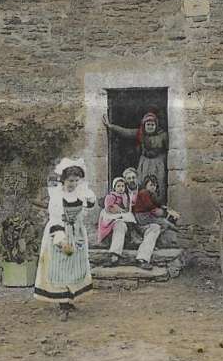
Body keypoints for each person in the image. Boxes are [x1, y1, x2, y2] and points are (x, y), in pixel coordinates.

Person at [33, 158, 96, 321]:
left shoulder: (80, 192)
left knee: (74, 267)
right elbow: (55, 220)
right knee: (60, 267)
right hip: (60, 232)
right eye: (70, 180)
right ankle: (63, 304)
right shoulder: (56, 197)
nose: (73, 183)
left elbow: (89, 204)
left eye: (76, 180)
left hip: (76, 233)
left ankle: (70, 297)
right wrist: (61, 240)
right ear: (63, 180)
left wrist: (89, 198)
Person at [97, 176, 162, 270]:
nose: (132, 180)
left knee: (155, 227)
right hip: (126, 226)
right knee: (120, 224)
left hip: (140, 224)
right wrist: (114, 208)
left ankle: (142, 258)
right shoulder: (116, 195)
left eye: (134, 178)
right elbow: (104, 203)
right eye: (129, 178)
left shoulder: (141, 193)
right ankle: (114, 256)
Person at [103, 112, 169, 203]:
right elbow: (126, 132)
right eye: (148, 124)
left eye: (152, 125)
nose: (150, 127)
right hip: (145, 162)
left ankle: (157, 203)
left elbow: (168, 149)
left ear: (156, 125)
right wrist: (110, 126)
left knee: (158, 182)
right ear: (144, 125)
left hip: (158, 162)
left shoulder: (163, 135)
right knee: (142, 182)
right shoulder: (140, 133)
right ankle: (143, 204)